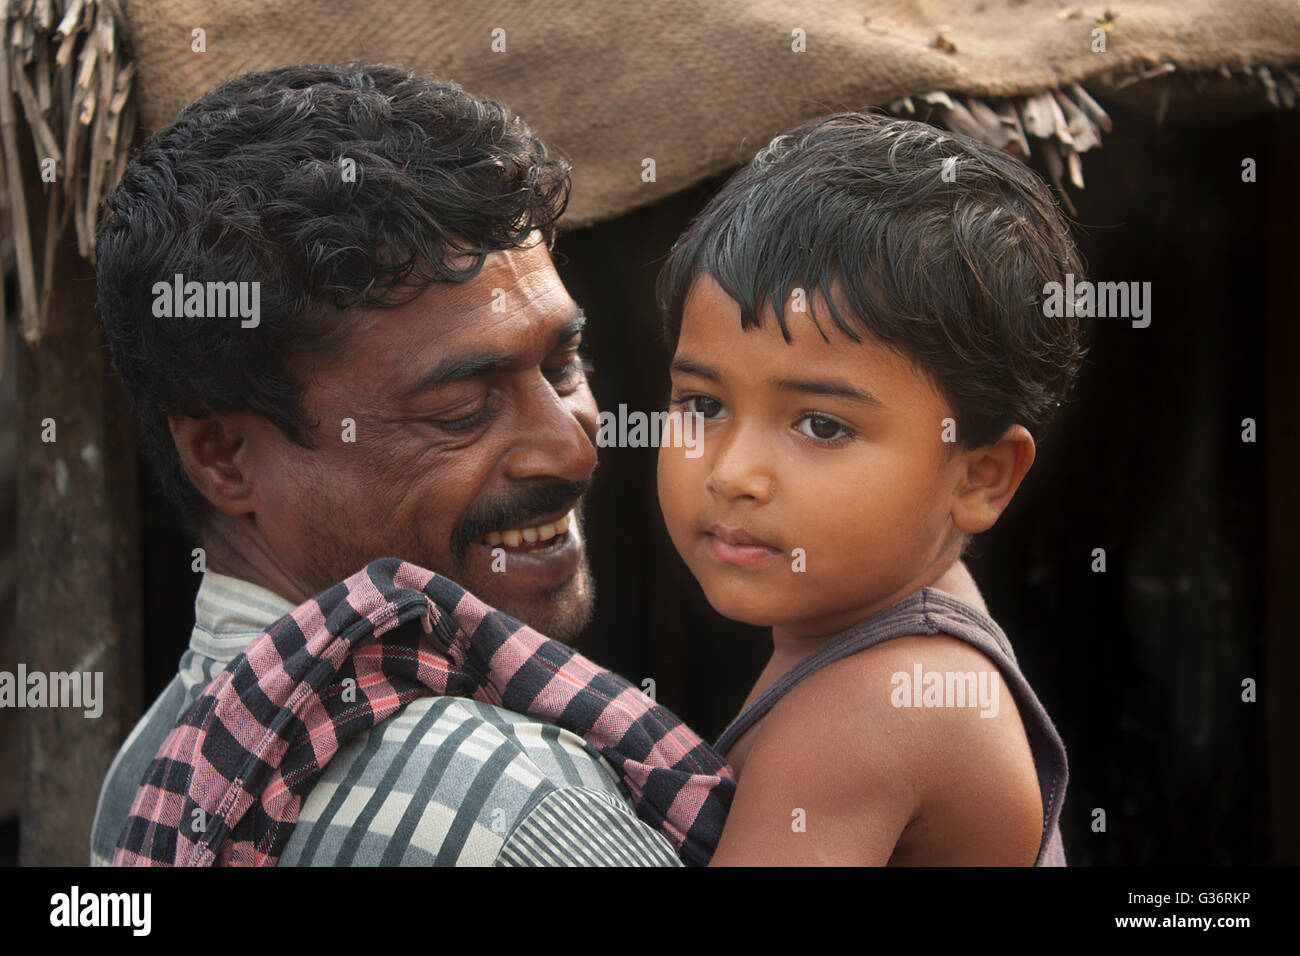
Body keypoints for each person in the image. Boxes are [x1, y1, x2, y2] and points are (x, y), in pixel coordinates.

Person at [90, 62, 687, 866]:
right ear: (223, 456)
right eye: (459, 409)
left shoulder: (149, 773)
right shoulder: (530, 811)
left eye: (563, 365)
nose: (572, 445)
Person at [654, 112, 1079, 865]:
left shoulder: (873, 708)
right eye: (705, 405)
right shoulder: (900, 639)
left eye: (820, 426)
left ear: (979, 477)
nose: (731, 474)